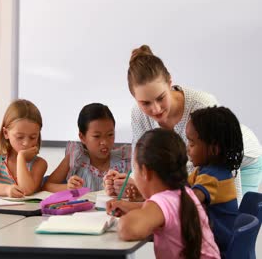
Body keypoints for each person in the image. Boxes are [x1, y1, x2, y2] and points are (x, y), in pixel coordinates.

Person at [106, 44, 262, 197]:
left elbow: (225, 167)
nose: (156, 109)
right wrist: (127, 183)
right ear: (134, 97)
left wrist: (235, 215)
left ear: (170, 83)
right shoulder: (138, 114)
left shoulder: (201, 105)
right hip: (195, 174)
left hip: (239, 159)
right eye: (145, 103)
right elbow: (141, 161)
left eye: (161, 98)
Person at [107, 129, 220, 259]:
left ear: (145, 171)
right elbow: (161, 212)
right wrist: (124, 205)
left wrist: (128, 218)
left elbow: (127, 229)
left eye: (135, 168)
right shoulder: (183, 193)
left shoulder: (162, 201)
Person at [186, 106, 242, 254]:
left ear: (214, 149)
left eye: (192, 143)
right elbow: (181, 186)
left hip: (215, 251)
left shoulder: (213, 176)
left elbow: (188, 201)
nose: (187, 149)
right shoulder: (207, 171)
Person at [42, 103, 130, 192]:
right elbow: (47, 186)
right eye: (97, 136)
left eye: (110, 134)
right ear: (82, 137)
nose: (104, 142)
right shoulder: (76, 158)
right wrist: (68, 188)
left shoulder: (125, 160)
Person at [0, 99, 47, 197]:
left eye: (33, 137)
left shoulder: (39, 164)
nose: (26, 143)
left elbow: (26, 190)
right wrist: (7, 190)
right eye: (19, 137)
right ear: (6, 133)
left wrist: (21, 158)